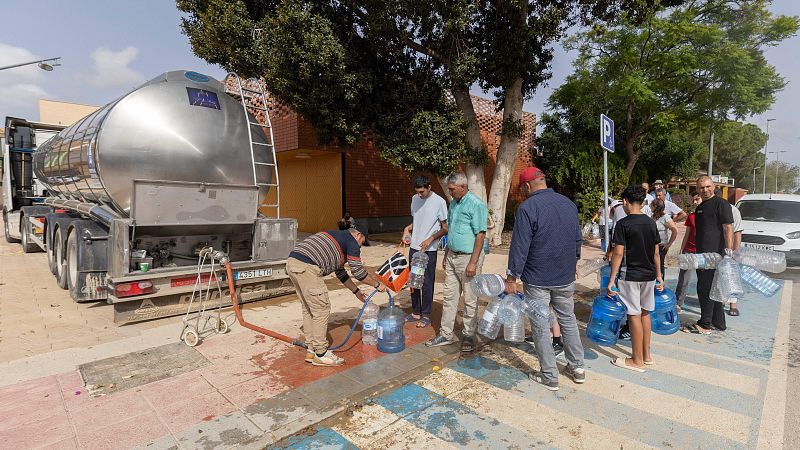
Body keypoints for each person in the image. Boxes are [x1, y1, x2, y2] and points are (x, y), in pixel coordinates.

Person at [504, 167, 584, 390]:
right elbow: (577, 239)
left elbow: (520, 246)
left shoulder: (528, 207)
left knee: (540, 326)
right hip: (565, 276)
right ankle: (577, 368)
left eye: (522, 189)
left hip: (538, 278)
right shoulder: (568, 204)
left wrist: (512, 277)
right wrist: (574, 261)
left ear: (528, 186)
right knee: (568, 319)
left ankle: (549, 375)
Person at [286, 226, 386, 366]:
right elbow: (358, 272)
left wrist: (356, 292)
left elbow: (341, 274)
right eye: (362, 242)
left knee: (309, 308)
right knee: (322, 308)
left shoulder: (338, 240)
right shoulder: (351, 241)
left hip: (293, 263)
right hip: (307, 267)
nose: (360, 247)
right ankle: (321, 353)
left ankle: (311, 349)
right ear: (357, 235)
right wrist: (377, 285)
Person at [425, 172, 488, 353]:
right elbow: (450, 230)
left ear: (462, 186)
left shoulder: (476, 205)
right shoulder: (453, 204)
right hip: (452, 256)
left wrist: (473, 262)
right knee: (449, 297)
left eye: (452, 189)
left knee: (470, 298)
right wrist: (446, 254)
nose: (450, 192)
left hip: (469, 258)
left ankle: (468, 335)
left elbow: (480, 235)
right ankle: (446, 334)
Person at [607, 185, 664, 372]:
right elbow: (656, 253)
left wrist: (611, 279)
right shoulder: (651, 222)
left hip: (630, 275)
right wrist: (659, 276)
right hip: (649, 275)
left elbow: (617, 254)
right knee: (646, 312)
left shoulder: (623, 224)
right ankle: (646, 356)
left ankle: (636, 360)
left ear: (625, 201)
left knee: (633, 314)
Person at [682, 176, 733, 334]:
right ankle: (718, 322)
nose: (705, 190)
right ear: (697, 189)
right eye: (701, 187)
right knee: (713, 288)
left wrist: (729, 252)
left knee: (705, 289)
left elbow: (728, 228)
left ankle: (705, 324)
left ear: (714, 186)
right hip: (701, 255)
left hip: (715, 255)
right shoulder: (700, 208)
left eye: (707, 186)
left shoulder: (721, 204)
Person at [402, 175, 448, 328]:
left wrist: (430, 239)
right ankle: (416, 311)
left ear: (429, 187)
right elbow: (417, 221)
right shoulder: (414, 199)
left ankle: (426, 314)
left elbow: (445, 228)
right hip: (414, 247)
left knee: (427, 283)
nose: (420, 195)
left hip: (429, 250)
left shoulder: (439, 202)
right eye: (417, 192)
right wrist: (407, 229)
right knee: (413, 281)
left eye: (422, 192)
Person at [675, 193, 703, 310]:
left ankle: (704, 304)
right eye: (694, 200)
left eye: (697, 199)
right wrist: (682, 249)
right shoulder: (691, 217)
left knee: (703, 280)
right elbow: (687, 234)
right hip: (689, 251)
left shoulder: (709, 217)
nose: (695, 202)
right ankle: (678, 303)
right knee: (684, 279)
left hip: (703, 253)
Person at [720, 189, 745, 317]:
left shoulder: (733, 210)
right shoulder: (708, 208)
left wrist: (735, 252)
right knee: (717, 278)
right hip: (715, 250)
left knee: (731, 277)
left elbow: (737, 232)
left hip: (729, 251)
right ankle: (720, 302)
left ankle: (733, 305)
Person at [651, 199, 678, 280]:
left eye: (652, 205)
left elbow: (675, 230)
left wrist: (669, 244)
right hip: (652, 246)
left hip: (661, 246)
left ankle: (660, 284)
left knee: (659, 266)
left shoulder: (665, 217)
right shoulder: (653, 216)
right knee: (653, 266)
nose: (650, 207)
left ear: (656, 206)